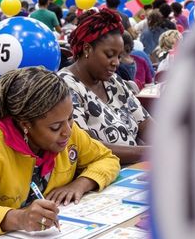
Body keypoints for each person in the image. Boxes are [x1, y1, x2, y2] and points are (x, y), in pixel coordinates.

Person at [0, 67, 120, 236]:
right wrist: (19, 218)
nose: (68, 131)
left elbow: (107, 158)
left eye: (71, 118)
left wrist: (81, 183)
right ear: (26, 125)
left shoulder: (67, 130)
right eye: (55, 127)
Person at [59, 9, 152, 164]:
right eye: (109, 55)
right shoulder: (65, 87)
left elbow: (146, 124)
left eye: (119, 56)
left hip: (133, 171)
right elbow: (87, 147)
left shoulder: (113, 81)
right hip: (99, 177)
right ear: (87, 49)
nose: (116, 62)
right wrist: (148, 152)